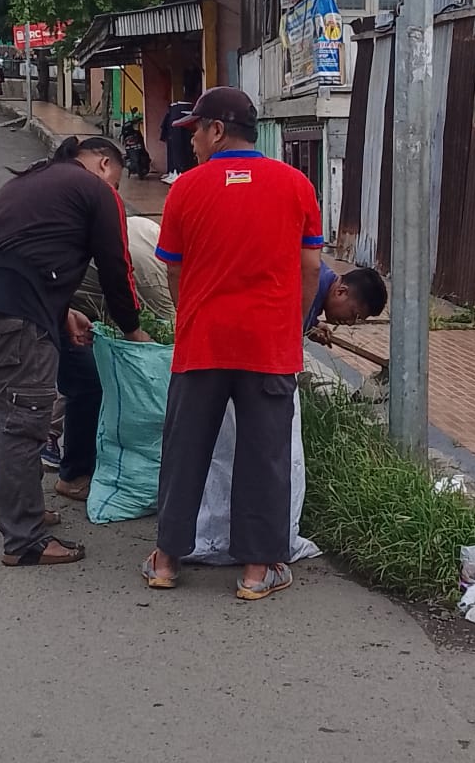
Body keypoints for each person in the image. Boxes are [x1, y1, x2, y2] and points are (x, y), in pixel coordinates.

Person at [143, 86, 323, 600]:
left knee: (185, 449)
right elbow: (310, 267)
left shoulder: (185, 189)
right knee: (264, 455)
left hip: (202, 341)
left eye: (196, 132)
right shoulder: (295, 184)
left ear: (217, 130)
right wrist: (294, 321)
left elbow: (174, 271)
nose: (192, 143)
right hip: (268, 344)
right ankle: (255, 571)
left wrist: (193, 313)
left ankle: (165, 561)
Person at [0, 136, 148, 567]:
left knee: (4, 412)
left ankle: (24, 511)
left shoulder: (29, 182)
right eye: (116, 180)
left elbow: (24, 254)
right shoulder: (95, 191)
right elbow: (117, 266)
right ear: (102, 164)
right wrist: (134, 331)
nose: (115, 189)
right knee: (24, 421)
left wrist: (62, 314)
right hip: (16, 308)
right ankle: (24, 541)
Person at [47, 216, 176, 500]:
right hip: (62, 301)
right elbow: (167, 337)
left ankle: (48, 433)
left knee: (81, 375)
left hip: (72, 291)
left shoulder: (155, 237)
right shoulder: (155, 270)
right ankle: (73, 476)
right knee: (88, 383)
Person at [305, 263, 387, 346]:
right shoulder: (309, 288)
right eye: (353, 314)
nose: (350, 323)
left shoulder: (320, 276)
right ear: (341, 292)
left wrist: (311, 324)